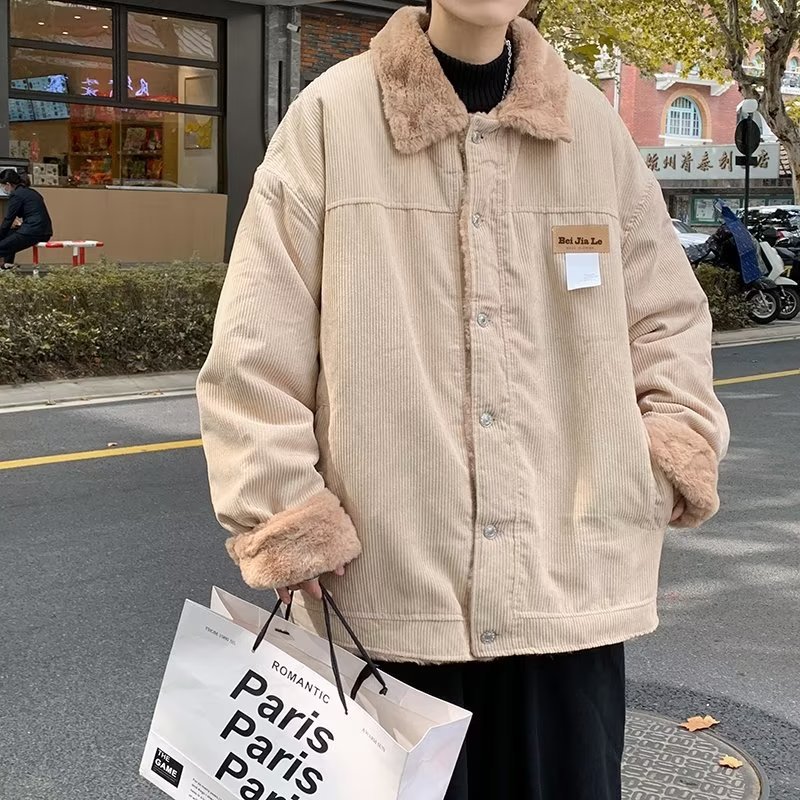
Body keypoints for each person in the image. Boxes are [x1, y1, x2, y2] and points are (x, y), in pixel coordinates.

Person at [197, 1, 730, 798]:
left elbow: (667, 319)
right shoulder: (333, 117)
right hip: (383, 592)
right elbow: (254, 346)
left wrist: (663, 454)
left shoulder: (591, 128)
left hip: (569, 587)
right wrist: (285, 511)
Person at [0, 168, 53, 269]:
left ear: (8, 184)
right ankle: (7, 265)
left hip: (32, 231)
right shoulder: (31, 192)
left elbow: (8, 220)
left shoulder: (16, 195)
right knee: (9, 237)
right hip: (44, 231)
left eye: (2, 186)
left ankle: (6, 267)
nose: (3, 188)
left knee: (4, 244)